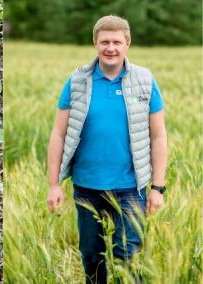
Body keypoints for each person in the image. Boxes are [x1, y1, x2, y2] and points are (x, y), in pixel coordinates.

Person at [46, 15, 167, 284]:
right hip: (87, 187)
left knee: (128, 257)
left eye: (116, 42)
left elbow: (158, 136)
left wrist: (157, 188)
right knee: (91, 256)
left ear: (127, 44)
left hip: (130, 188)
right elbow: (59, 133)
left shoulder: (144, 81)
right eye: (104, 42)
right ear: (95, 43)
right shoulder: (77, 81)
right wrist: (54, 185)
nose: (110, 48)